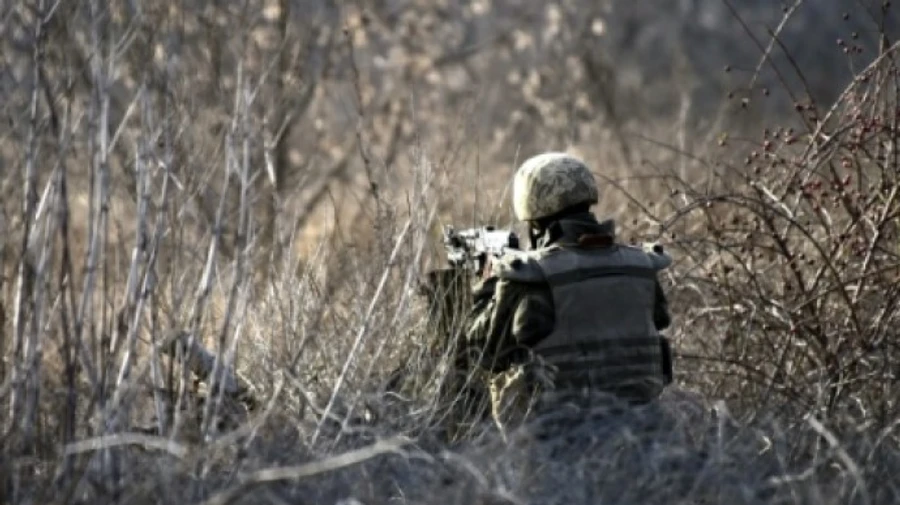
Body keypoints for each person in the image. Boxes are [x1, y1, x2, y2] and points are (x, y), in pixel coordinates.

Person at [459, 152, 674, 440]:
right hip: (646, 433)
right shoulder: (641, 265)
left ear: (533, 216)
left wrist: (487, 286)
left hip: (559, 444)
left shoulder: (529, 275)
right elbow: (657, 320)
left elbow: (485, 354)